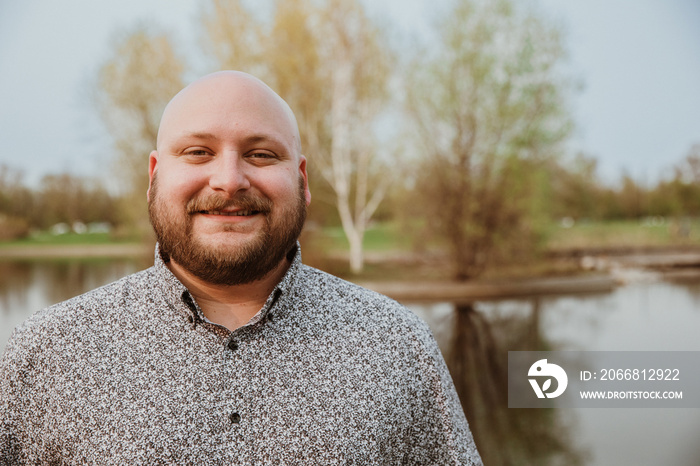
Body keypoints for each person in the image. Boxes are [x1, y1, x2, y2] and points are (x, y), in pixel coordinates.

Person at [0, 71, 482, 464]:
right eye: (198, 152)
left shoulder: (397, 344)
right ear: (154, 177)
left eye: (260, 154)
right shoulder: (44, 355)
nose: (229, 180)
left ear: (301, 180)